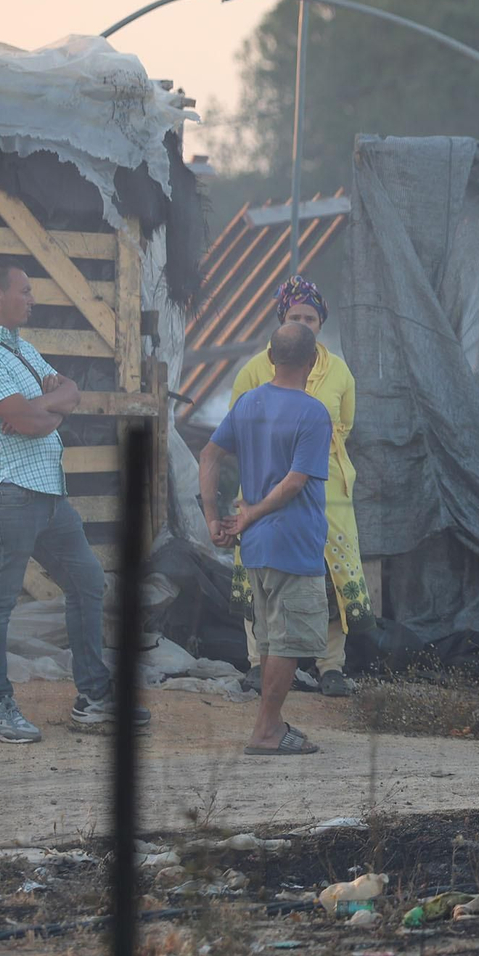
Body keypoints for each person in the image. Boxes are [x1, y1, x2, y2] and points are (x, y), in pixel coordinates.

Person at [0, 262, 150, 743]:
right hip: (6, 495)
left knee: (87, 580)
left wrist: (44, 408)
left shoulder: (20, 348)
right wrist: (43, 411)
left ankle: (94, 697)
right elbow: (28, 422)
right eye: (24, 291)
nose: (32, 299)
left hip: (47, 493)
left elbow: (71, 391)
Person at [228, 276, 369, 698]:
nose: (303, 324)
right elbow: (235, 428)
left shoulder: (339, 370)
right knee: (261, 569)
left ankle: (330, 665)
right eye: (295, 317)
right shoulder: (254, 370)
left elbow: (345, 424)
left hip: (328, 489)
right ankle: (258, 663)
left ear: (321, 322)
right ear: (281, 320)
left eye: (310, 317)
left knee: (331, 573)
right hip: (263, 485)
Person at [200, 322, 333, 755]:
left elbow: (209, 455)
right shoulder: (314, 413)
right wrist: (252, 513)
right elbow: (295, 482)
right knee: (287, 642)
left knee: (272, 641)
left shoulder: (247, 404)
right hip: (293, 543)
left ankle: (269, 725)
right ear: (313, 361)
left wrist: (213, 517)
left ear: (271, 358)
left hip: (256, 547)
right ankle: (266, 730)